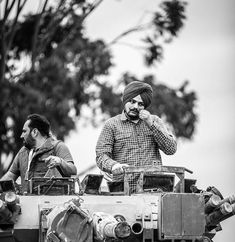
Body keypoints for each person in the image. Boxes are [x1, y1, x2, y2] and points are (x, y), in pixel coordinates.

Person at [96, 81, 177, 192]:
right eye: (132, 102)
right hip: (123, 190)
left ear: (145, 106)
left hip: (153, 190)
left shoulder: (154, 121)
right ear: (125, 100)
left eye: (140, 104)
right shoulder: (111, 124)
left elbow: (171, 149)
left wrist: (150, 123)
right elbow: (101, 155)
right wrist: (113, 166)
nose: (135, 106)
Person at [1, 113, 77, 192]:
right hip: (27, 203)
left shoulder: (58, 147)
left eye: (24, 131)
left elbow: (73, 170)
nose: (21, 136)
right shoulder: (22, 152)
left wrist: (60, 162)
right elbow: (9, 176)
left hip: (52, 203)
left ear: (34, 132)